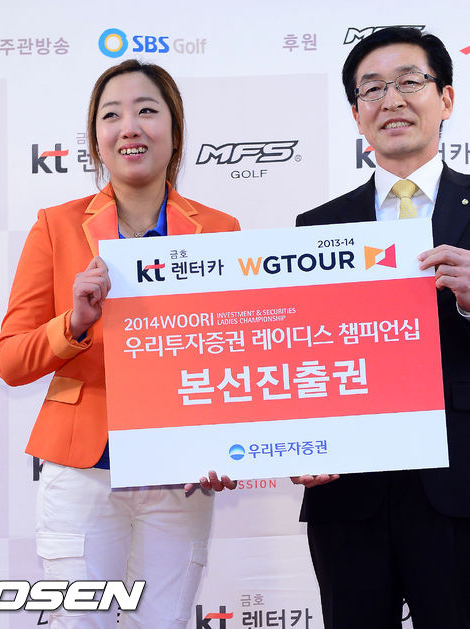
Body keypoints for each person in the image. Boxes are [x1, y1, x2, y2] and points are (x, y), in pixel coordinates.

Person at [0, 59, 238, 629]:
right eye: (112, 115)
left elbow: (233, 357)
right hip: (82, 469)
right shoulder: (56, 226)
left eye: (146, 110)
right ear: (96, 139)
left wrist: (229, 446)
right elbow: (10, 360)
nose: (130, 127)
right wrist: (73, 324)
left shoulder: (219, 230)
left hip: (179, 475)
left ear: (174, 130)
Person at [293, 27, 470, 629]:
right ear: (356, 115)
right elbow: (297, 353)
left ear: (446, 99)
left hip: (459, 485)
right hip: (349, 490)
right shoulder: (316, 228)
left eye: (409, 82)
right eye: (372, 89)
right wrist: (295, 439)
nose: (391, 100)